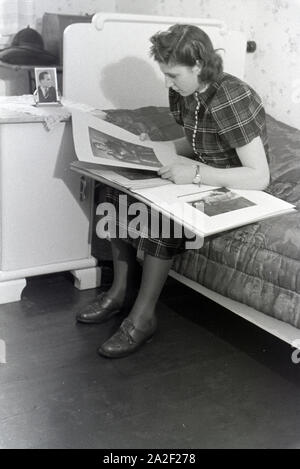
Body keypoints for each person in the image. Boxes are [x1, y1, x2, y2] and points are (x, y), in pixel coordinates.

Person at [76, 24, 270, 358]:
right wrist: (156, 148)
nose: (167, 82)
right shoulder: (185, 91)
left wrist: (195, 173)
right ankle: (119, 292)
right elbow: (198, 139)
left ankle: (143, 317)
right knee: (116, 192)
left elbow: (259, 176)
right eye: (164, 74)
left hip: (237, 183)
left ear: (198, 65)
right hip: (207, 174)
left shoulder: (230, 97)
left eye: (173, 75)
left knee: (160, 216)